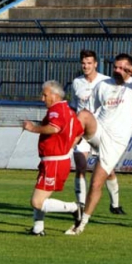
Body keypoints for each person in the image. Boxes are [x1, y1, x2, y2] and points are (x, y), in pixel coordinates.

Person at [65, 53, 132, 235]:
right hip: (99, 130)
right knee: (83, 115)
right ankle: (64, 149)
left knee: (96, 183)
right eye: (116, 67)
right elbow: (90, 110)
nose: (117, 70)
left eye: (123, 68)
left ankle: (81, 223)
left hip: (115, 142)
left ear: (130, 70)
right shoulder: (103, 85)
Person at [23, 80, 84, 236]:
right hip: (55, 160)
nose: (42, 99)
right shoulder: (69, 111)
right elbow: (79, 132)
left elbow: (54, 128)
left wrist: (33, 128)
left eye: (45, 95)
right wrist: (68, 146)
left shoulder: (56, 110)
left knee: (37, 201)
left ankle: (74, 208)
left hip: (54, 161)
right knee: (40, 196)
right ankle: (38, 229)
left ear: (55, 95)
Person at [70, 50, 125, 214]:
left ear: (95, 64)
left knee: (108, 171)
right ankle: (80, 206)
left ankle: (115, 205)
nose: (85, 66)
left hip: (101, 130)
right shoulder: (76, 82)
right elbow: (74, 106)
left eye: (89, 63)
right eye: (83, 63)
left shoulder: (106, 81)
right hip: (82, 131)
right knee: (81, 167)